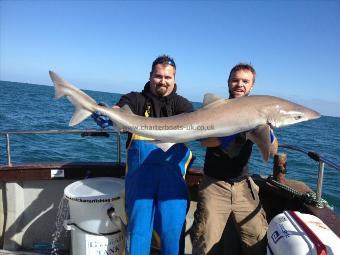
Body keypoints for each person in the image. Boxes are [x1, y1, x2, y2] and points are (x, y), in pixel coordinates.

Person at [93, 55, 194, 255]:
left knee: (173, 235)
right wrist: (108, 116)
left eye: (168, 77)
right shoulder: (135, 100)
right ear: (150, 76)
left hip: (172, 184)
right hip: (140, 184)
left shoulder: (184, 107)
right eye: (158, 76)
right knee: (137, 234)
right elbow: (118, 111)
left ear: (174, 78)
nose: (163, 81)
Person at [190, 63, 277, 255]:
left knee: (257, 238)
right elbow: (204, 142)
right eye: (235, 80)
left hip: (243, 186)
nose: (240, 84)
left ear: (252, 86)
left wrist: (268, 132)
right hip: (214, 185)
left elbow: (273, 150)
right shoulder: (217, 108)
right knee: (206, 242)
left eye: (245, 81)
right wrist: (230, 133)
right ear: (228, 83)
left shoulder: (259, 112)